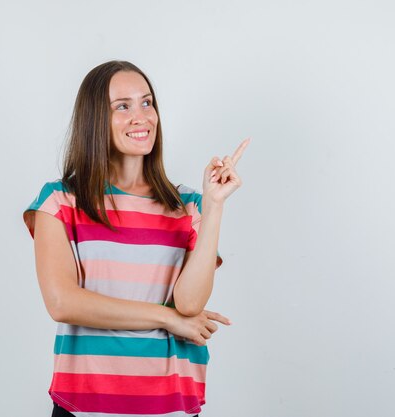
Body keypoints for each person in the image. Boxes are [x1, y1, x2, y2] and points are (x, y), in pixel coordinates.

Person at [23, 60, 249, 417]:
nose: (141, 116)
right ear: (95, 119)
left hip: (168, 404)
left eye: (147, 102)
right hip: (85, 404)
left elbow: (189, 304)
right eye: (122, 106)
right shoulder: (60, 200)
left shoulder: (188, 205)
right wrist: (166, 318)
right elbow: (62, 303)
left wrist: (214, 205)